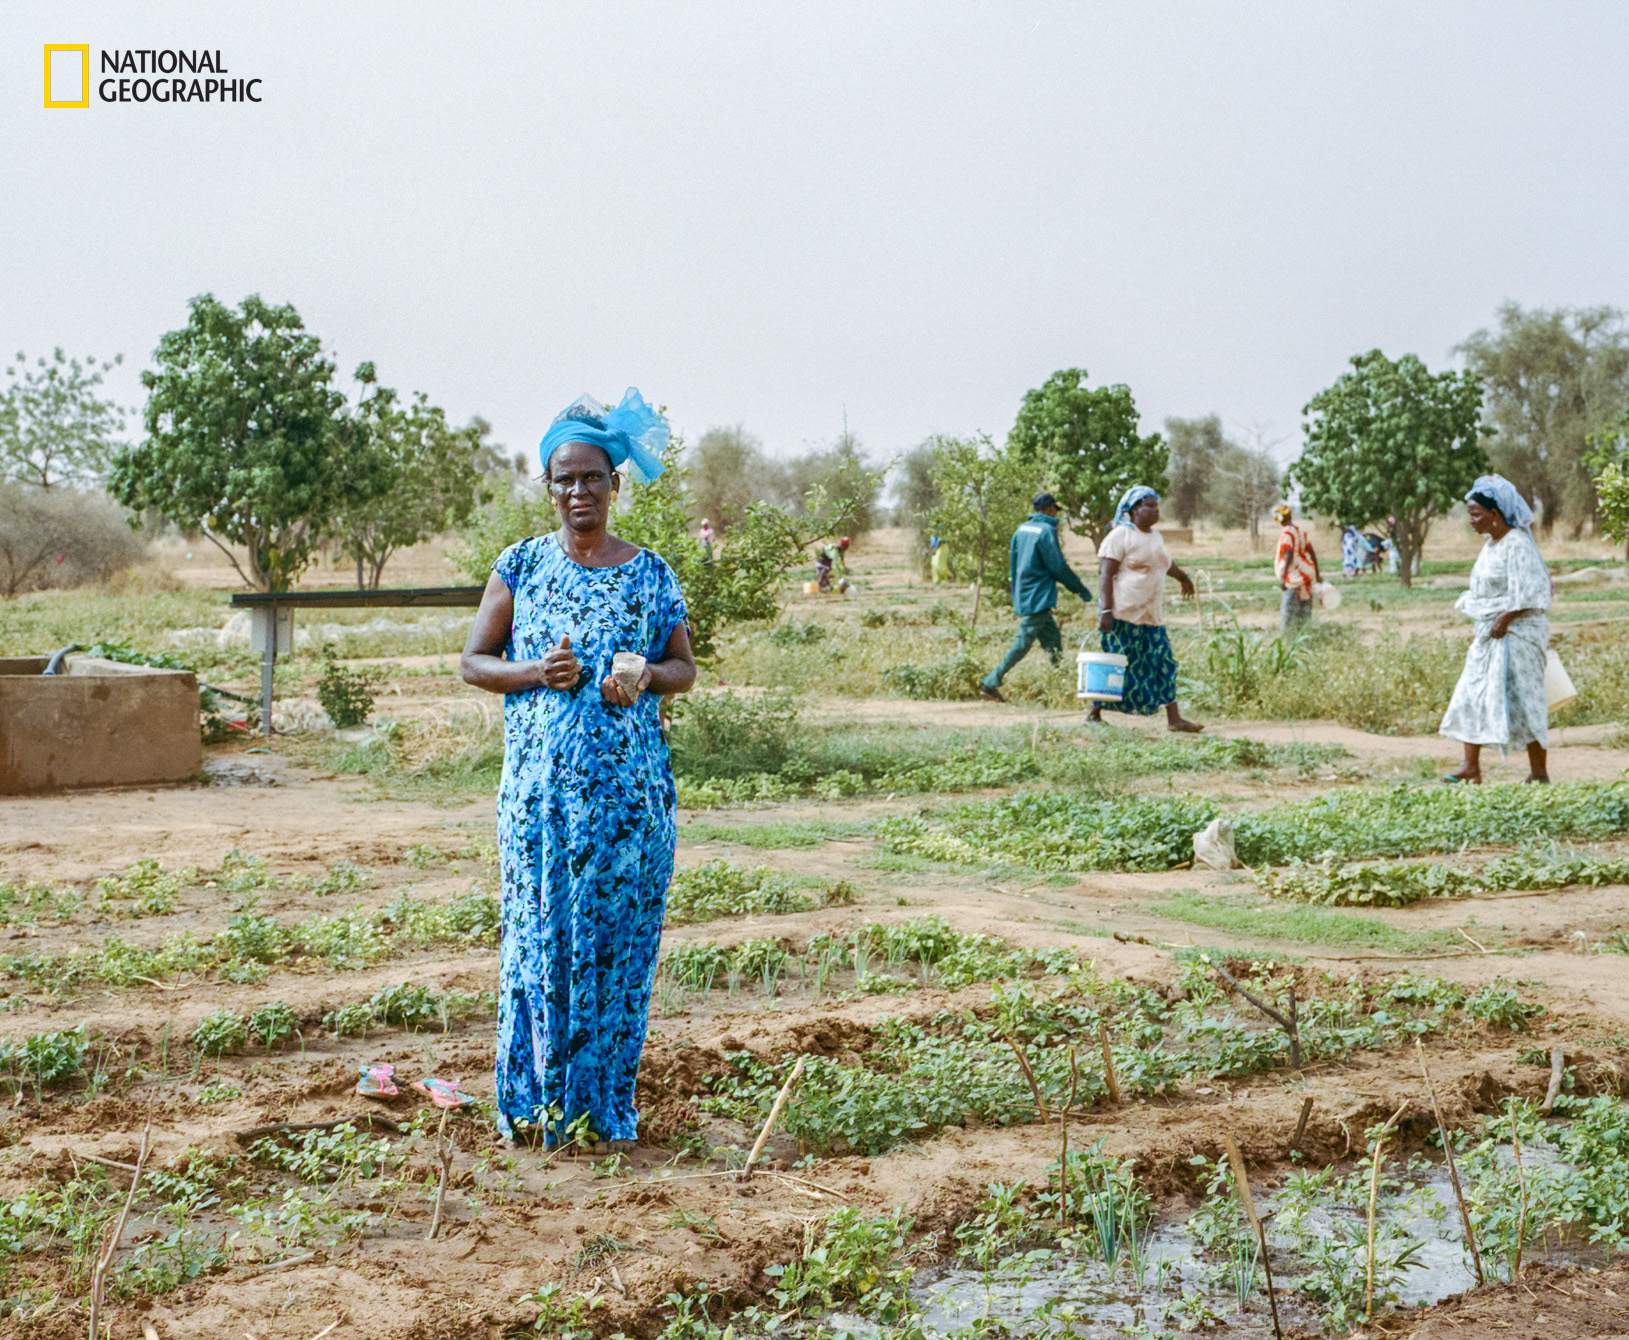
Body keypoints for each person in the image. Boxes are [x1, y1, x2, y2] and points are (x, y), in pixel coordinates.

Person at [460, 388, 697, 1148]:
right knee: (538, 945)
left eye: (591, 477)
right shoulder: (522, 565)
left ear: (614, 484)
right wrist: (535, 672)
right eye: (563, 478)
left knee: (614, 951)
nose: (577, 492)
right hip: (540, 804)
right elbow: (473, 661)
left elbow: (683, 666)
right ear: (548, 486)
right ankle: (531, 1108)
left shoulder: (650, 573)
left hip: (627, 807)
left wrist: (644, 675)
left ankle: (601, 1112)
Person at [1438, 475, 1552, 784]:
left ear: (1496, 514)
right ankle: (1470, 768)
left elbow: (1532, 590)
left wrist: (1505, 617)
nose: (1472, 520)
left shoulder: (1517, 544)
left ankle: (1539, 773)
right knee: (1470, 694)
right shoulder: (1491, 546)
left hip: (1516, 635)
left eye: (1476, 513)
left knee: (1525, 702)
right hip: (1489, 634)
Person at [1087, 485, 1202, 732]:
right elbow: (1105, 575)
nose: (1154, 510)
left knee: (1164, 663)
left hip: (1151, 616)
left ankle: (1174, 719)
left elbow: (1166, 564)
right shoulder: (1119, 536)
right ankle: (1094, 713)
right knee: (1116, 665)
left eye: (1156, 505)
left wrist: (1184, 578)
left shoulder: (1155, 538)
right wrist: (1105, 611)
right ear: (1133, 510)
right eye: (1148, 505)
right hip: (1123, 615)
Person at [978, 493, 1092, 702]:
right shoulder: (1047, 531)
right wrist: (1080, 589)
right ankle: (991, 681)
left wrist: (1017, 592)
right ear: (1049, 509)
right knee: (1022, 643)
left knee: (1053, 641)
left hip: (1025, 592)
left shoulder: (1021, 529)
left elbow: (1013, 564)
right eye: (1054, 510)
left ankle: (1059, 682)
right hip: (1039, 596)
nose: (1055, 514)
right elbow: (1057, 566)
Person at [1273, 503, 1321, 629]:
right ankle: (1304, 637)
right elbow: (1312, 552)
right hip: (1306, 577)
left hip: (1294, 578)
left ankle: (1287, 639)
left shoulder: (1287, 533)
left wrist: (1283, 579)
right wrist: (1317, 574)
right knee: (1304, 614)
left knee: (1288, 614)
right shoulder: (1300, 531)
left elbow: (1288, 555)